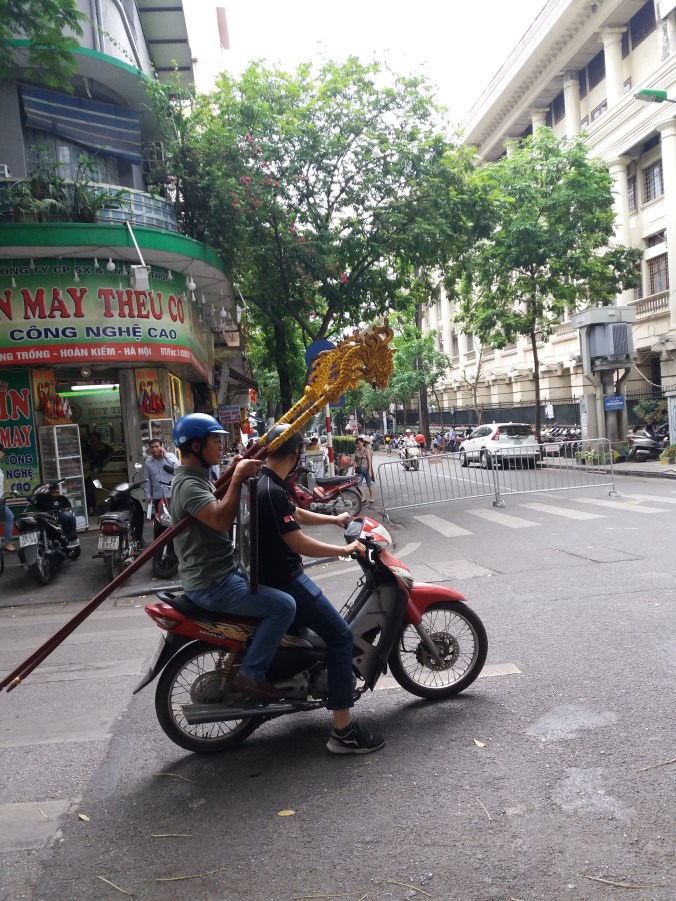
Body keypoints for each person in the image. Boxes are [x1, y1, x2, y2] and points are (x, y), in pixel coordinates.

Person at [257, 424, 385, 755]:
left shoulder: (268, 481)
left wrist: (334, 519)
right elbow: (296, 540)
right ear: (295, 453)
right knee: (341, 637)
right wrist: (344, 550)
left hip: (274, 575)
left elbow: (294, 513)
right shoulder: (270, 490)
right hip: (286, 577)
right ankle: (342, 731)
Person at [170, 413, 296, 702]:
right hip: (212, 583)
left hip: (220, 572)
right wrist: (238, 477)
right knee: (284, 607)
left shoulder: (197, 478)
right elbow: (221, 521)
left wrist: (235, 475)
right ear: (197, 447)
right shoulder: (189, 485)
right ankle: (251, 675)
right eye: (215, 441)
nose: (220, 446)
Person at [144, 438, 180, 513]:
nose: (154, 449)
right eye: (152, 447)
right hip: (158, 495)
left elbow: (178, 469)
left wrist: (166, 457)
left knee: (175, 516)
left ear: (161, 447)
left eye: (157, 446)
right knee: (161, 518)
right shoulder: (148, 462)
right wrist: (148, 495)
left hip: (172, 493)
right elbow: (148, 479)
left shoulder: (171, 456)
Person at [83, 432, 113, 514]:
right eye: (91, 438)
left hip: (103, 468)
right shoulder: (88, 448)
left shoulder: (105, 446)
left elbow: (111, 452)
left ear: (98, 438)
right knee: (91, 490)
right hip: (91, 470)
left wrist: (106, 459)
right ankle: (93, 507)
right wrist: (88, 461)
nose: (93, 439)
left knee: (102, 488)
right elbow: (83, 455)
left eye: (95, 437)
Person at [0, 443, 16, 552]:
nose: (3, 453)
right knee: (10, 517)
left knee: (10, 517)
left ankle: (7, 542)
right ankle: (7, 543)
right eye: (1, 451)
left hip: (1, 499)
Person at [351, 436, 375, 506]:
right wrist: (353, 469)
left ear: (363, 443)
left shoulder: (367, 451)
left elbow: (369, 461)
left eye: (359, 443)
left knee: (369, 484)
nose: (359, 445)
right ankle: (363, 496)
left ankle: (372, 497)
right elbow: (355, 460)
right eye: (357, 444)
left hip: (366, 469)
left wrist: (370, 471)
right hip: (359, 470)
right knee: (358, 484)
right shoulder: (356, 451)